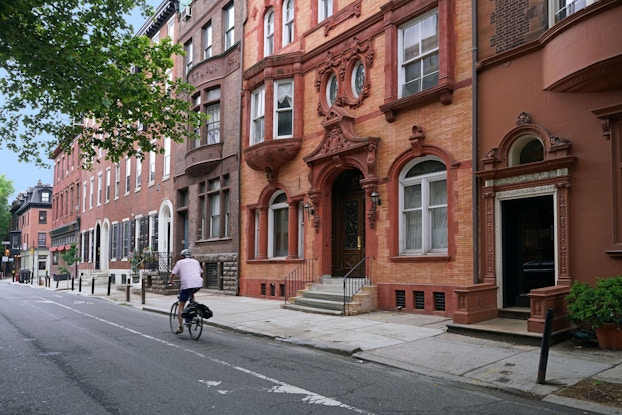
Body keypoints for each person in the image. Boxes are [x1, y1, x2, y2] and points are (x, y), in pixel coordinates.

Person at [170, 249, 203, 334]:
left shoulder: (180, 262)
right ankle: (193, 306)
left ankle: (180, 327)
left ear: (182, 256)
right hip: (198, 284)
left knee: (181, 305)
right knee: (191, 294)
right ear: (191, 256)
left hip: (187, 284)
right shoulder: (196, 262)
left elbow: (173, 274)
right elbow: (200, 272)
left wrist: (170, 281)